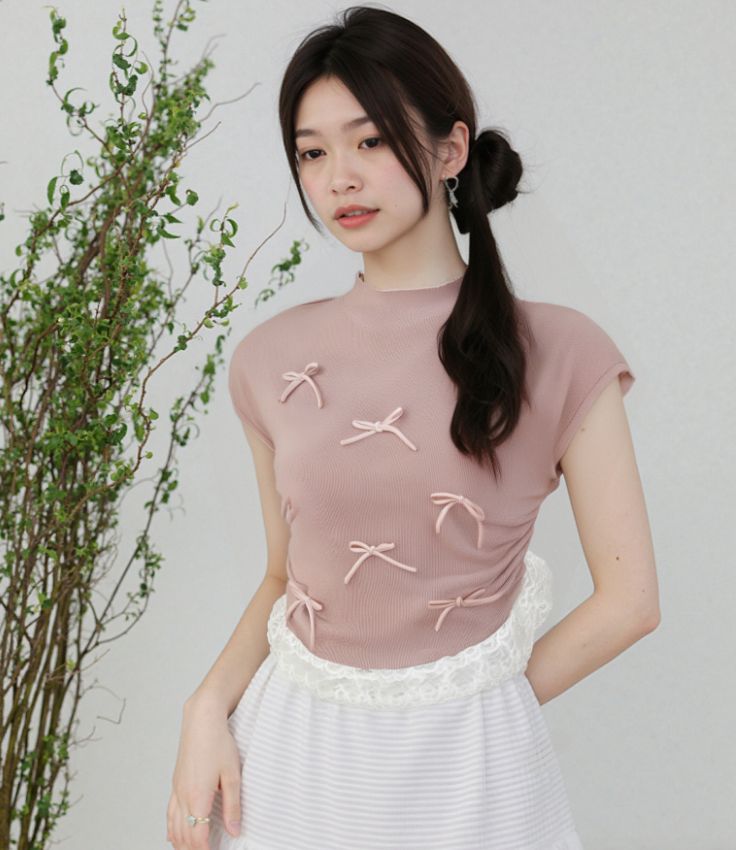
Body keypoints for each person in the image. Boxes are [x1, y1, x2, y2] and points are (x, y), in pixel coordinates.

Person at [166, 6, 660, 849]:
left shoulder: (561, 351)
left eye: (369, 140)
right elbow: (286, 577)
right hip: (290, 764)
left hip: (472, 780)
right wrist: (206, 708)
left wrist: (472, 710)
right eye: (312, 153)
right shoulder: (269, 359)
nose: (339, 178)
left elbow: (631, 603)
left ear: (450, 149)